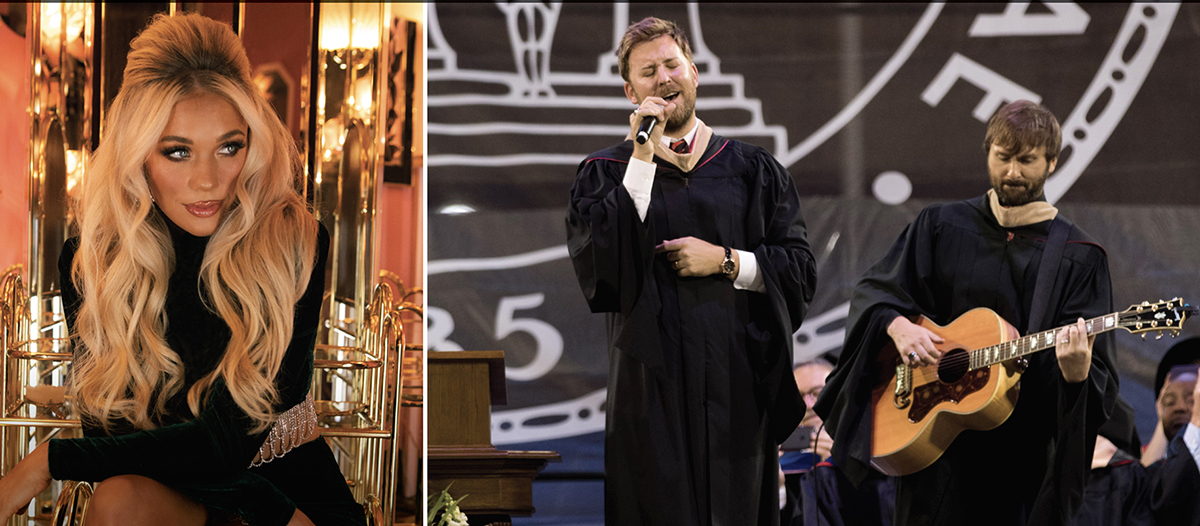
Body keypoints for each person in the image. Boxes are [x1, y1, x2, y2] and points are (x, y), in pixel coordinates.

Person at [0, 13, 363, 526]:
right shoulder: (95, 262)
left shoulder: (292, 245)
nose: (208, 180)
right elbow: (112, 439)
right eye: (178, 152)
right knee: (120, 499)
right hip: (186, 504)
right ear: (138, 157)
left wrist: (49, 461)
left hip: (291, 501)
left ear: (252, 145)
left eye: (229, 147)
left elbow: (226, 442)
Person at [814, 100, 1119, 526]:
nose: (1012, 172)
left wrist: (1075, 375)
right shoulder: (940, 226)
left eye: (1027, 161)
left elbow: (1098, 378)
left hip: (1016, 460)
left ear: (1052, 162)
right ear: (988, 151)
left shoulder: (1078, 257)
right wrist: (897, 326)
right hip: (931, 443)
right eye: (1003, 157)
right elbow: (877, 291)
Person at [566, 16, 817, 526]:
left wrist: (725, 260)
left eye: (671, 64)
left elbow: (800, 269)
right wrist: (642, 154)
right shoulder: (605, 174)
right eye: (647, 71)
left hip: (736, 389)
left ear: (694, 73)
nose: (663, 79)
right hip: (648, 393)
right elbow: (601, 269)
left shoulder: (752, 171)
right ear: (629, 90)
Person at [780, 359, 894, 526]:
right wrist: (778, 492)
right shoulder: (785, 471)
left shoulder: (881, 444)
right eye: (798, 398)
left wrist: (844, 464)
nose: (808, 405)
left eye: (818, 392)